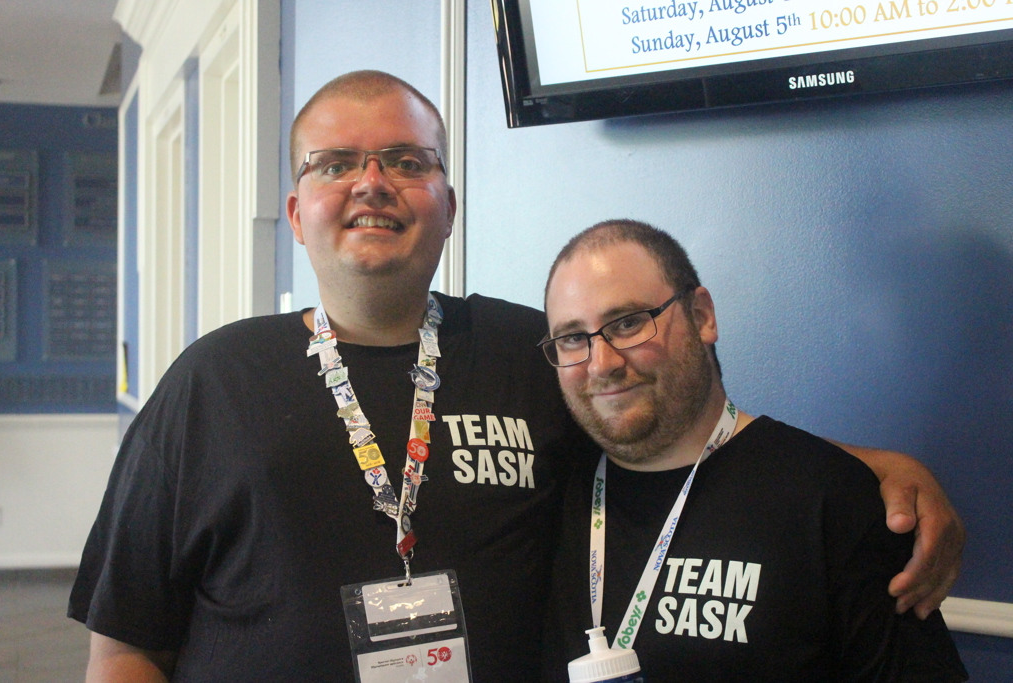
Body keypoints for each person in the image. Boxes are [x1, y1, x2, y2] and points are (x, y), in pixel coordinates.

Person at [68, 71, 962, 682]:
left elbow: (669, 426)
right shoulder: (210, 382)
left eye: (408, 161)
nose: (373, 182)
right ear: (299, 211)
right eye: (337, 163)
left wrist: (871, 468)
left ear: (448, 205)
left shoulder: (531, 352)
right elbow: (123, 646)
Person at [541, 219, 968, 682]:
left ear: (702, 315)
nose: (602, 363)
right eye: (572, 338)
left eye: (627, 324)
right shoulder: (541, 488)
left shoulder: (834, 499)